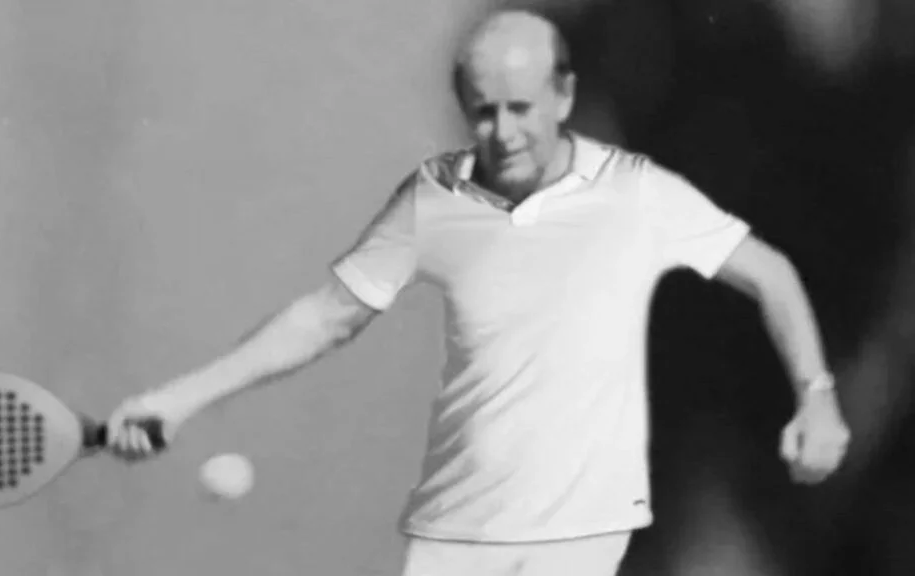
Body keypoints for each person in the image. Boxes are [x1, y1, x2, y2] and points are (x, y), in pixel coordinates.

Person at [107, 9, 851, 576]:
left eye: (520, 109)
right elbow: (326, 318)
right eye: (484, 111)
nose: (502, 133)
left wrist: (816, 395)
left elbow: (770, 275)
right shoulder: (439, 203)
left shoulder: (640, 195)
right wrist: (184, 396)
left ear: (566, 98)